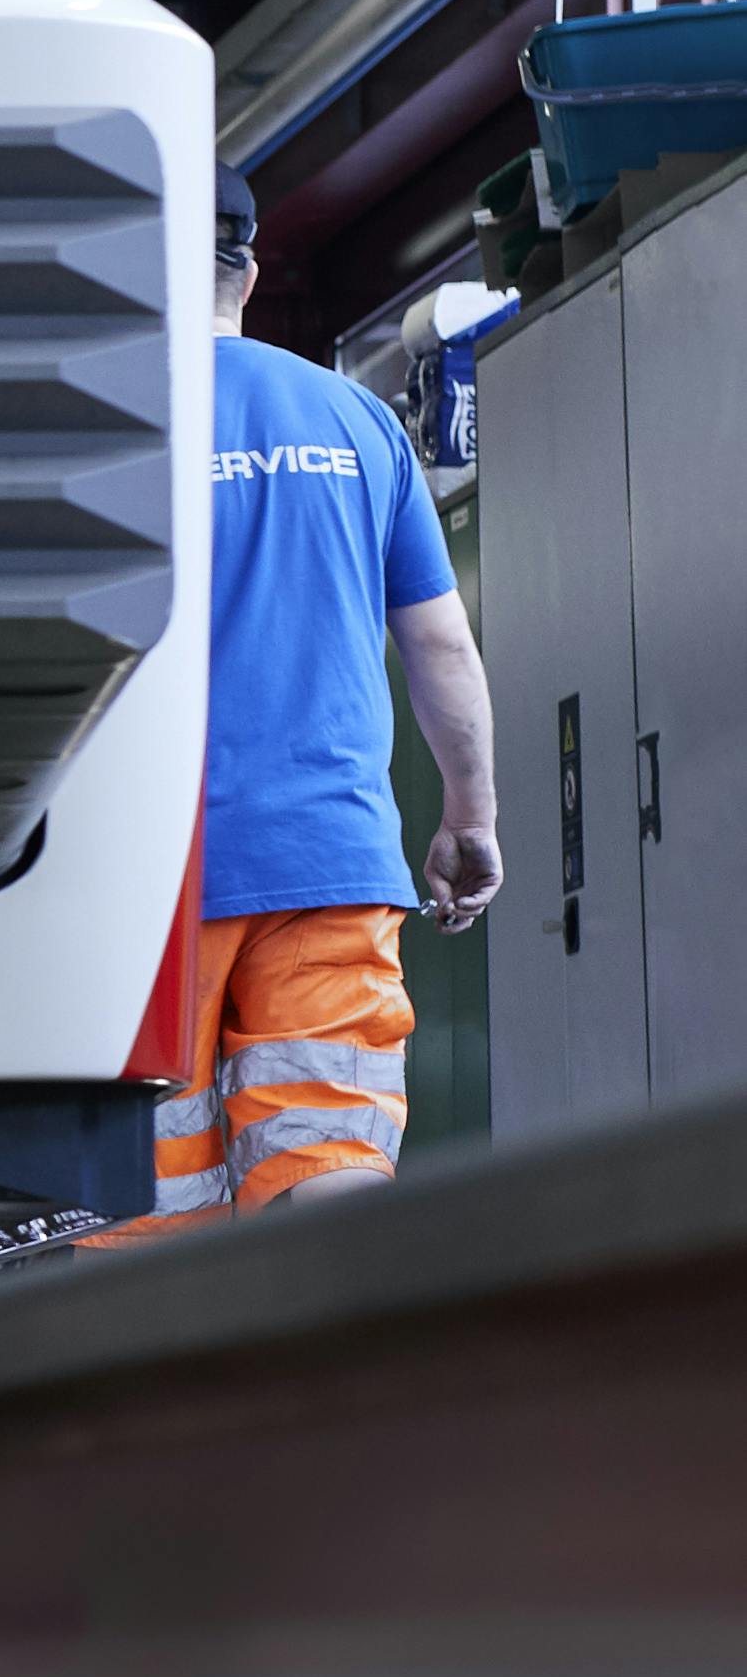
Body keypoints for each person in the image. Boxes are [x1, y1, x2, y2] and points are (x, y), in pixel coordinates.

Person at [146, 161, 500, 1228]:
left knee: (147, 1199)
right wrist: (469, 817)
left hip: (146, 885)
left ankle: (159, 1389)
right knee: (327, 1156)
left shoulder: (96, 421)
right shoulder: (355, 420)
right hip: (329, 859)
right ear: (245, 273)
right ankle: (352, 1380)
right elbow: (440, 645)